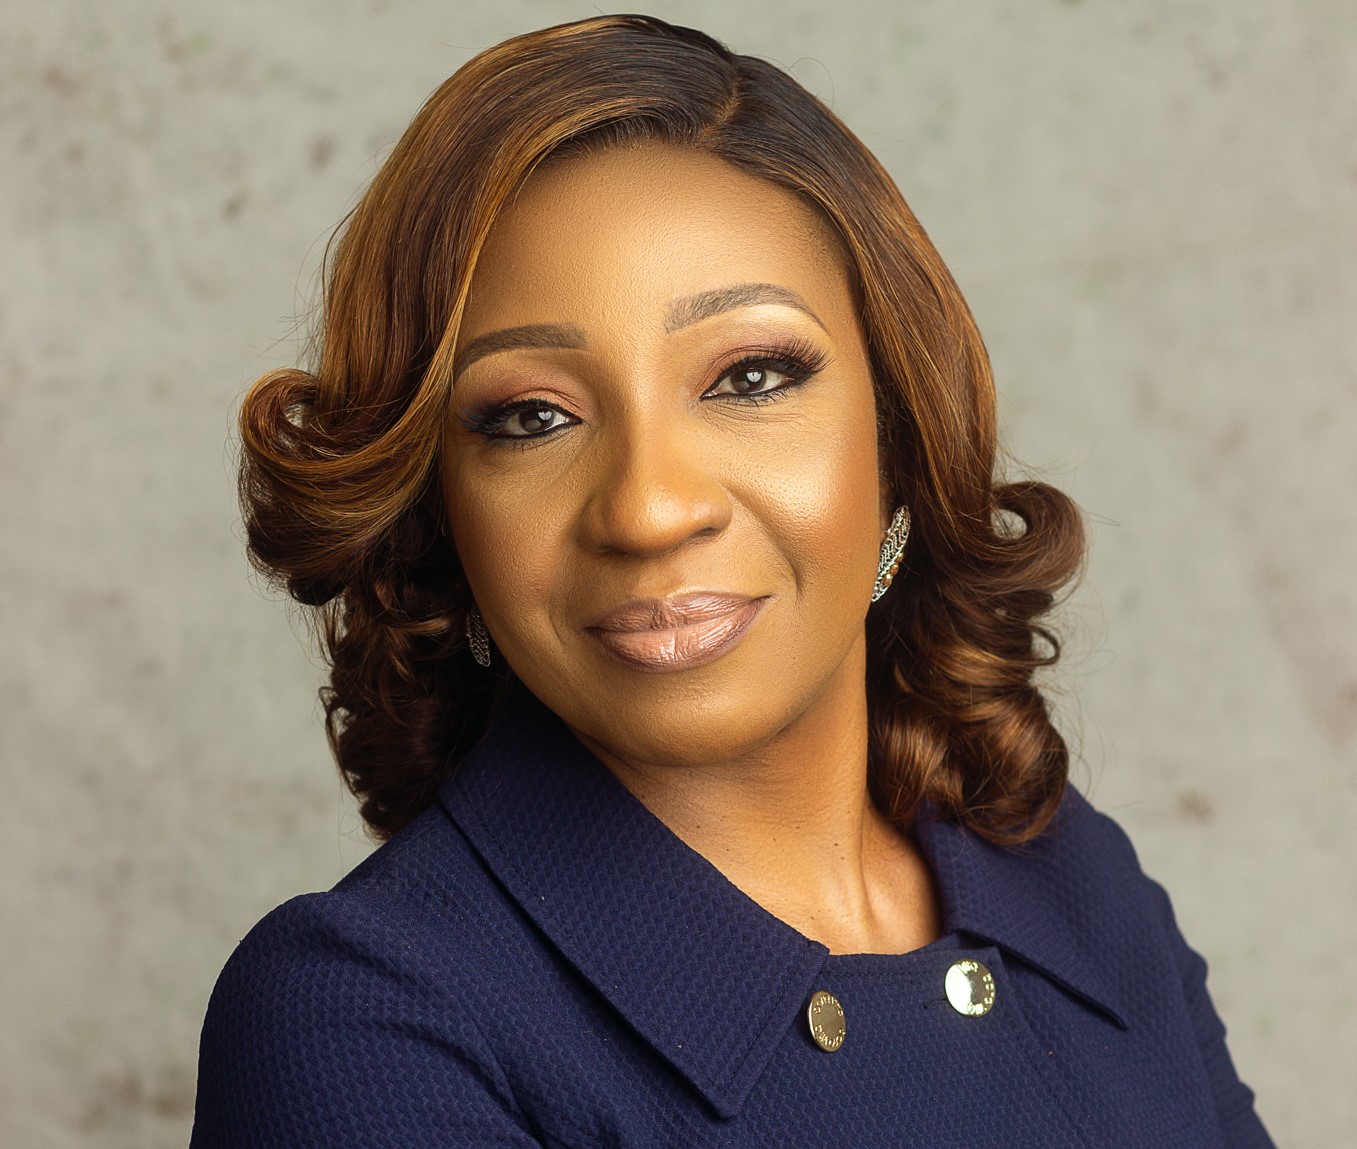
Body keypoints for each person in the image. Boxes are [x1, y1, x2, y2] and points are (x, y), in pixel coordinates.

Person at [190, 14, 1273, 1147]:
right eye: (531, 416)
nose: (648, 508)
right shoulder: (362, 1020)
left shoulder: (1073, 884)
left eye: (750, 378)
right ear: (437, 512)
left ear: (898, 441)